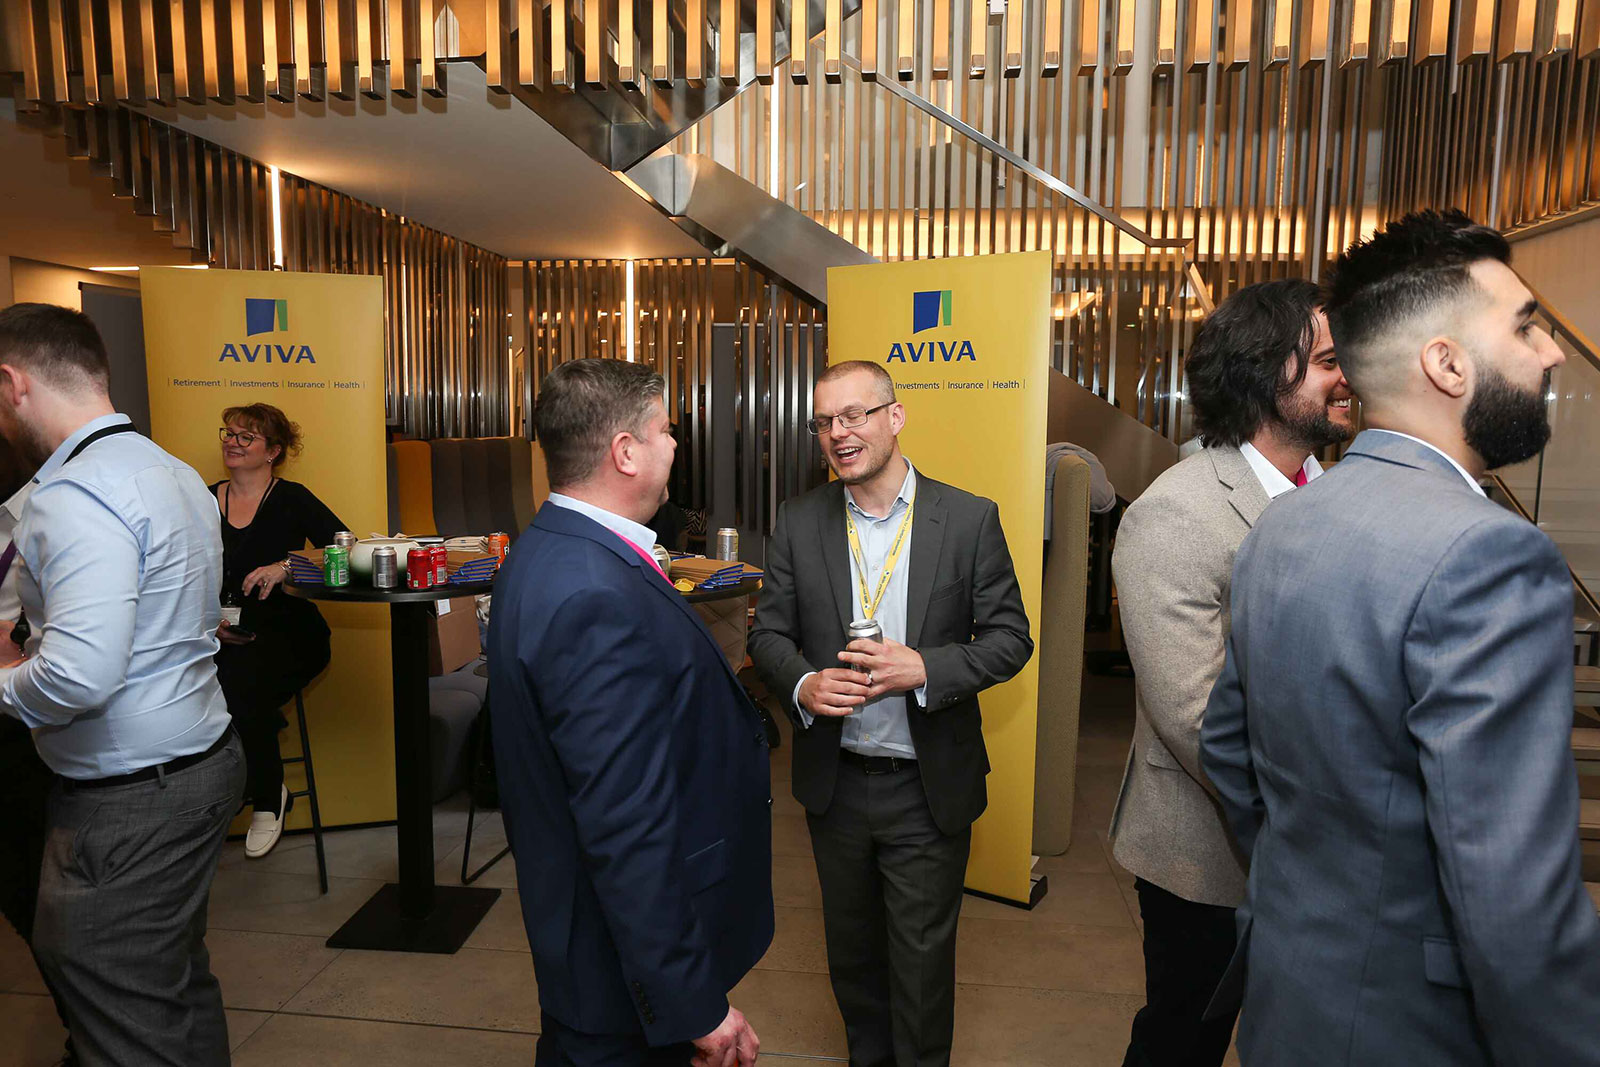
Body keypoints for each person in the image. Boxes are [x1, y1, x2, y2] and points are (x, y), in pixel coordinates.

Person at [1200, 209, 1600, 1065]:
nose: (1552, 352)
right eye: (1525, 325)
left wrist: (1324, 891)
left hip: (1291, 994)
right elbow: (1511, 898)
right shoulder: (1495, 554)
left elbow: (1229, 749)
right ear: (1446, 364)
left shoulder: (1284, 522)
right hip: (1417, 1030)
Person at [488, 357, 772, 1066]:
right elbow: (625, 826)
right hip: (617, 977)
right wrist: (693, 1002)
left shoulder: (550, 545)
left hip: (587, 952)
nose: (674, 444)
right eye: (665, 430)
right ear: (625, 451)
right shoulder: (593, 593)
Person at [748, 360, 1033, 1067]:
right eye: (824, 422)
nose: (838, 434)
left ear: (894, 417)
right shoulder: (799, 520)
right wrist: (804, 683)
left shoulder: (967, 519)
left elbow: (1010, 639)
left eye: (855, 415)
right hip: (837, 785)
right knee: (853, 965)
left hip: (924, 789)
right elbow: (767, 634)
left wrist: (927, 668)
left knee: (922, 974)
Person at [1107, 279, 1353, 1067]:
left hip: (1318, 852)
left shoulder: (1341, 498)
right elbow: (1196, 715)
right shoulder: (1177, 512)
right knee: (1185, 1039)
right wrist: (1327, 816)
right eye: (1327, 361)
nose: (1346, 376)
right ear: (1266, 372)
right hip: (1206, 857)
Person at [0, 302, 243, 1065]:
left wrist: (4, 678)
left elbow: (80, 674)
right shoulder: (172, 470)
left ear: (12, 383)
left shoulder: (72, 495)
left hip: (131, 798)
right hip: (198, 759)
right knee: (171, 983)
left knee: (122, 1012)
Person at [210, 403, 346, 858]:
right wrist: (209, 623)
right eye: (229, 433)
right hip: (222, 636)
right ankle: (254, 781)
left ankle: (264, 795)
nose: (232, 442)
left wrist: (285, 566)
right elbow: (181, 571)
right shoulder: (203, 499)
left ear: (273, 451)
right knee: (224, 680)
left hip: (291, 634)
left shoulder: (292, 498)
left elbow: (344, 547)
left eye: (246, 437)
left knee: (241, 682)